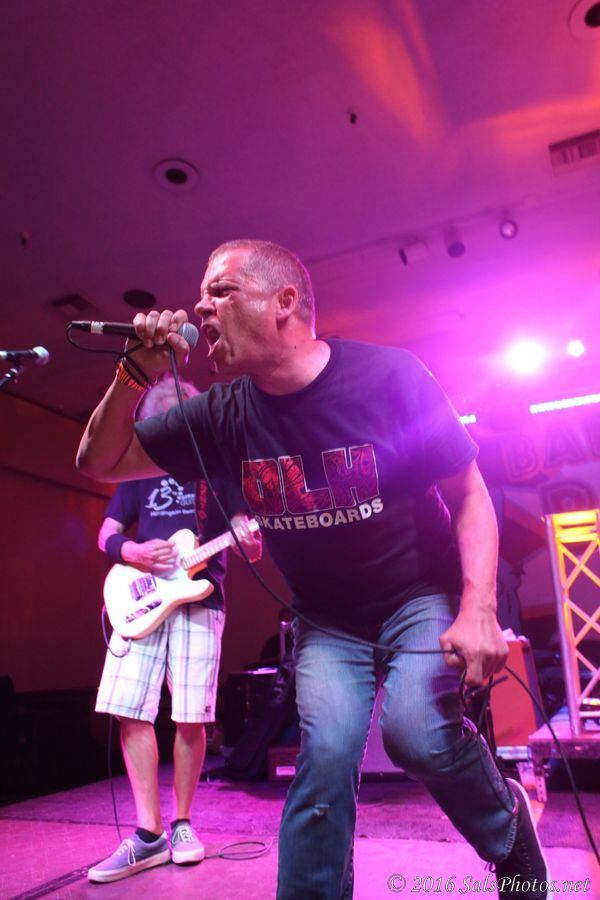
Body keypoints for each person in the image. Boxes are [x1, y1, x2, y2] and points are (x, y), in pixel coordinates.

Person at [77, 240, 552, 900]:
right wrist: (133, 374)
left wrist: (478, 608)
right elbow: (97, 463)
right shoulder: (221, 413)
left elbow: (469, 493)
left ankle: (510, 838)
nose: (200, 308)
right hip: (327, 618)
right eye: (201, 295)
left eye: (220, 291)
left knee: (417, 733)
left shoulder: (389, 378)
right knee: (324, 759)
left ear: (285, 302)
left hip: (418, 592)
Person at [87, 374, 261, 884]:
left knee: (190, 716)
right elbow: (107, 533)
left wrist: (250, 539)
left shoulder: (217, 470)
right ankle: (149, 834)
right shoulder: (136, 472)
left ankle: (182, 824)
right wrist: (133, 551)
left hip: (198, 602)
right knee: (128, 707)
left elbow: (250, 542)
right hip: (141, 598)